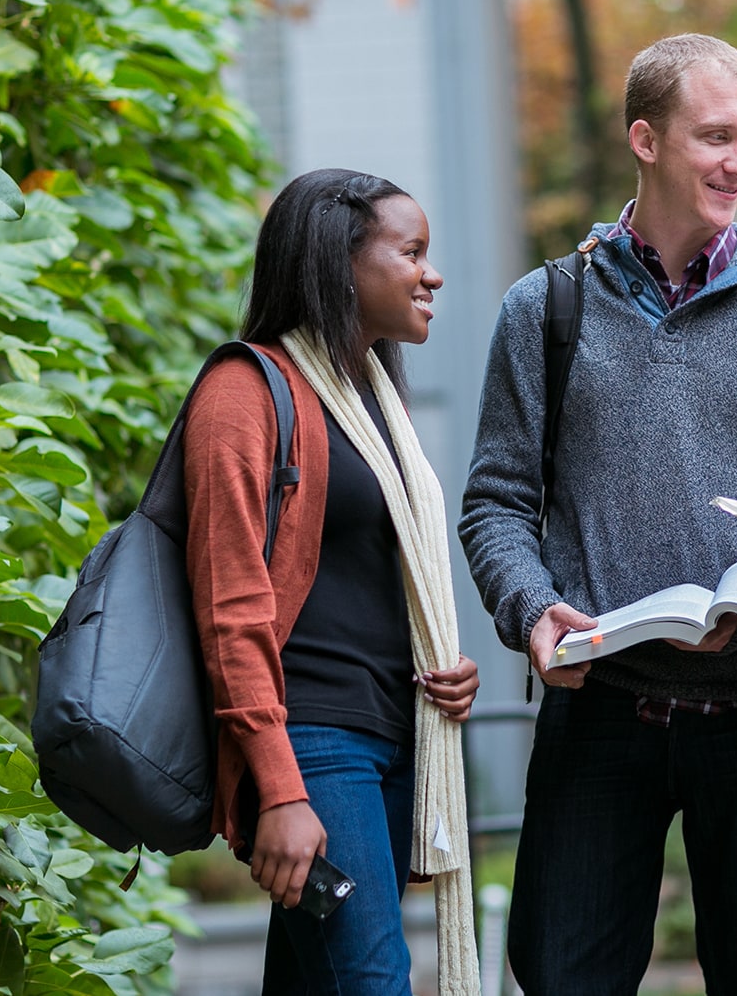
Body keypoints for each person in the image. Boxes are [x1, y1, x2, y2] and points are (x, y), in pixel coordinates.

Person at [460, 34, 737, 995]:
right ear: (645, 139)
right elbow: (495, 503)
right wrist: (530, 610)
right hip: (601, 710)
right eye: (717, 136)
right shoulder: (546, 309)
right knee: (560, 973)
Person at [185, 168, 483, 996]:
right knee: (374, 981)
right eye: (411, 252)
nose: (433, 274)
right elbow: (231, 612)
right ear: (338, 262)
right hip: (315, 742)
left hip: (392, 736)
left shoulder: (378, 402)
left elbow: (374, 584)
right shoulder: (243, 393)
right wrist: (280, 791)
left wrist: (441, 668)